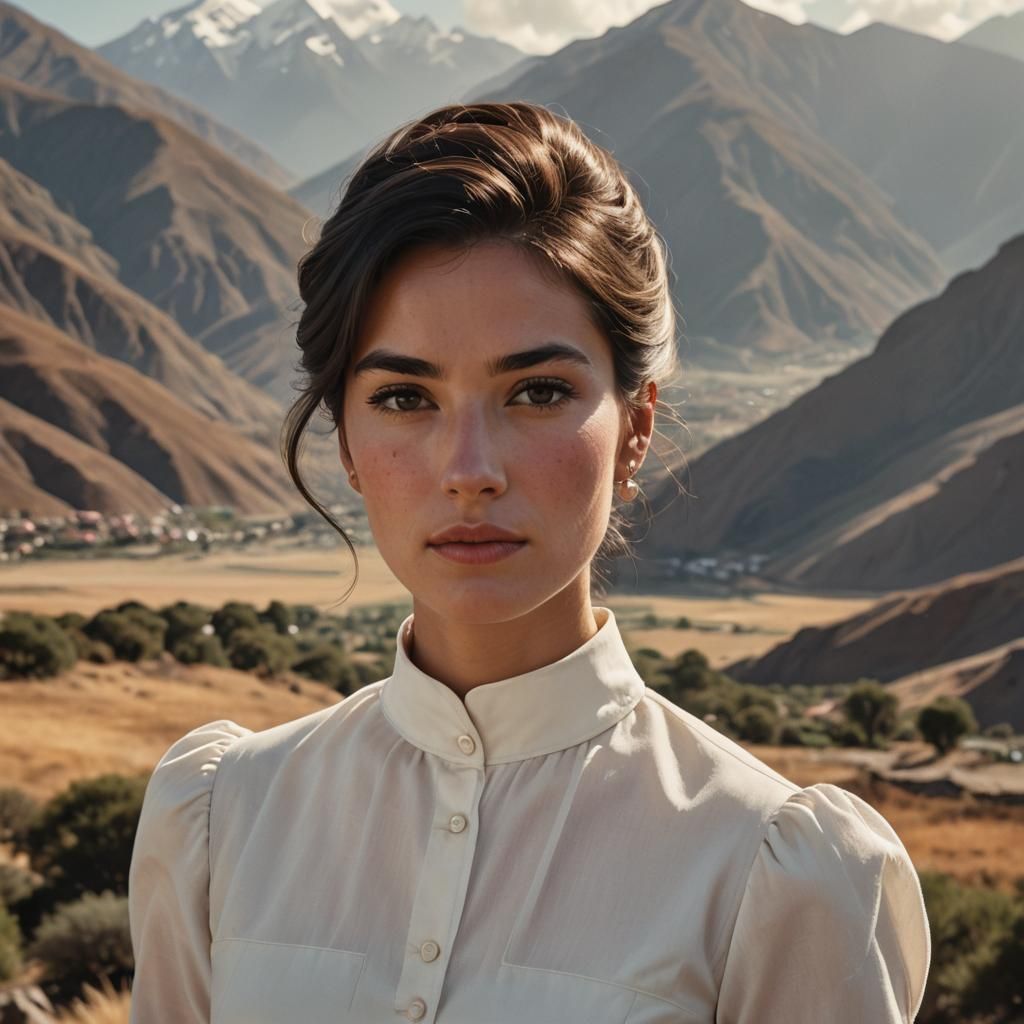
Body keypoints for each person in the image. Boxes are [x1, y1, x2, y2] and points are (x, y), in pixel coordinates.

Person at [127, 101, 931, 1023]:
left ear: (635, 427)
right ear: (345, 439)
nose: (469, 470)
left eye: (538, 391)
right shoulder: (222, 819)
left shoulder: (771, 872)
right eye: (404, 398)